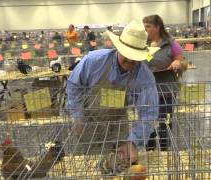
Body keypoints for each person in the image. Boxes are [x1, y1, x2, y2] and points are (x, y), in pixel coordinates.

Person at [66, 21, 160, 165]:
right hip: (89, 120)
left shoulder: (144, 77)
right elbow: (74, 85)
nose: (128, 60)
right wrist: (78, 116)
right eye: (125, 56)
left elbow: (148, 112)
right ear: (118, 48)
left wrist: (134, 142)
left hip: (117, 124)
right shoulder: (93, 61)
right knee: (89, 164)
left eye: (133, 59)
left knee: (117, 163)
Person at [142, 14, 188, 151]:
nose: (145, 30)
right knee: (148, 121)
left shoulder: (171, 44)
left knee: (164, 122)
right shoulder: (143, 44)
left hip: (166, 90)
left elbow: (184, 63)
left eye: (148, 27)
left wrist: (178, 63)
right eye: (144, 27)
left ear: (157, 27)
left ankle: (164, 149)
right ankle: (149, 150)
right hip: (147, 90)